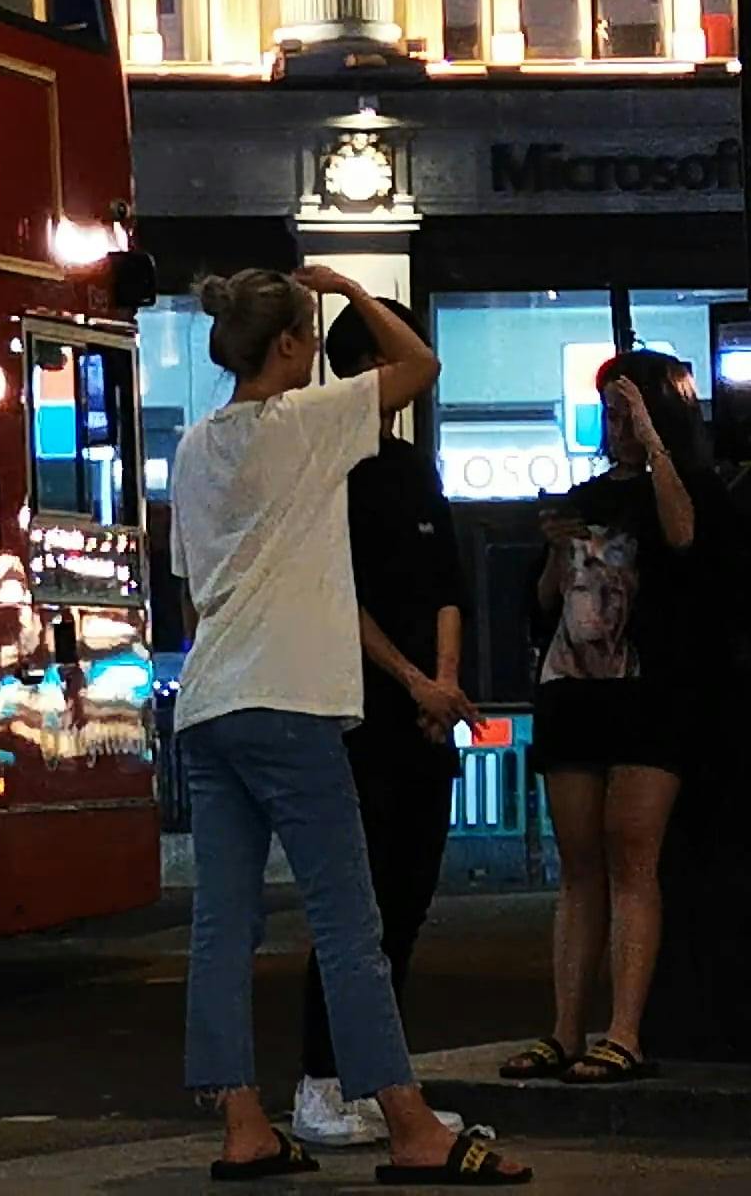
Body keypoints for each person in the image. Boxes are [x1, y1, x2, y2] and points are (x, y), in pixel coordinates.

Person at [171, 265, 529, 1187]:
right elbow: (421, 363)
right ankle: (409, 1125)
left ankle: (243, 1125)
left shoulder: (193, 447)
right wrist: (345, 287)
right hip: (291, 699)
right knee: (346, 919)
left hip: (212, 703)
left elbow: (194, 583)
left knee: (224, 925)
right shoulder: (310, 422)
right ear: (290, 346)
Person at [288, 298, 477, 1153]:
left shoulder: (412, 467)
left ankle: (380, 1083)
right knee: (352, 909)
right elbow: (338, 597)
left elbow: (446, 583)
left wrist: (443, 684)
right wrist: (410, 681)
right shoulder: (326, 465)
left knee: (406, 904)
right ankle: (322, 1080)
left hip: (423, 722)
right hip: (354, 716)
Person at [497, 347, 706, 1088]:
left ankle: (623, 1030)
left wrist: (655, 448)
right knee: (579, 862)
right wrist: (556, 558)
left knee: (631, 856)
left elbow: (683, 537)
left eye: (628, 414)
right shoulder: (583, 498)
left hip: (648, 693)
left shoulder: (683, 489)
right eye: (611, 415)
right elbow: (542, 608)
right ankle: (565, 1029)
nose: (615, 428)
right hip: (576, 689)